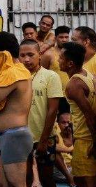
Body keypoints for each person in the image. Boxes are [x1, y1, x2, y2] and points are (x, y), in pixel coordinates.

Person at [0, 32, 33, 187]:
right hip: (7, 135)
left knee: (17, 183)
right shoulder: (17, 71)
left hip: (15, 136)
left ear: (4, 54)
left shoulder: (13, 73)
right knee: (3, 183)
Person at [18, 39, 64, 187]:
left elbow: (52, 110)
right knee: (26, 177)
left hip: (43, 137)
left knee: (46, 178)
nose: (26, 59)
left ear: (40, 54)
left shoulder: (50, 76)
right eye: (22, 55)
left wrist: (44, 140)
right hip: (21, 136)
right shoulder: (16, 76)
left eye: (30, 54)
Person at [59, 42, 96, 187]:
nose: (57, 60)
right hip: (88, 140)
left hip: (85, 142)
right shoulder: (90, 75)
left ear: (70, 63)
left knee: (83, 182)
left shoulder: (73, 85)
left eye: (61, 58)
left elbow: (90, 115)